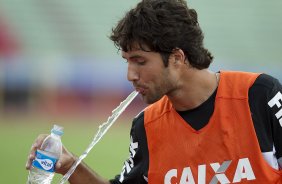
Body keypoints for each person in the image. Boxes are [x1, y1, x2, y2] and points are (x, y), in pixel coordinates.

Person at [26, 0, 282, 183]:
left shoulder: (259, 95)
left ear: (177, 58)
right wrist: (71, 164)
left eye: (140, 61)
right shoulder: (146, 126)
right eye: (127, 61)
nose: (130, 75)